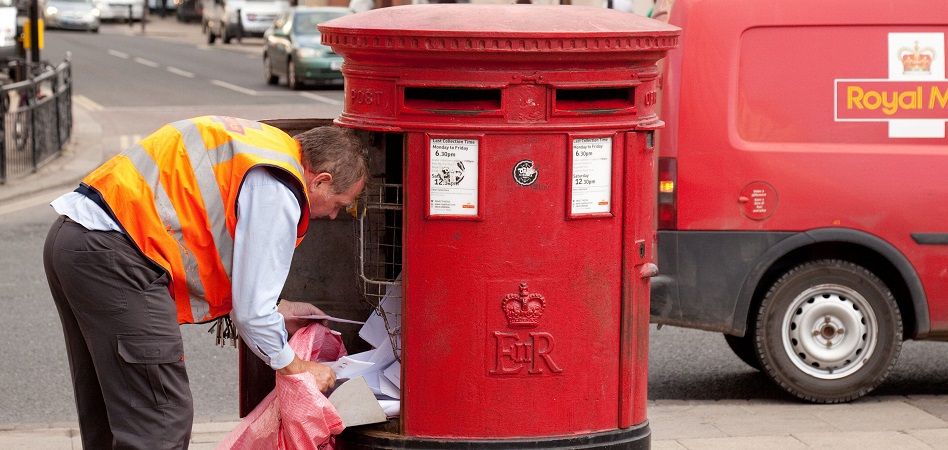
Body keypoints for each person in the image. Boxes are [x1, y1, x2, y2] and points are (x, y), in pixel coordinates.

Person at [42, 116, 371, 449]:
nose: (332, 215)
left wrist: (276, 309)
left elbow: (215, 238)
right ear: (320, 181)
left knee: (113, 412)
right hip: (115, 256)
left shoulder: (266, 149)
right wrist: (298, 367)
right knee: (161, 421)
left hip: (75, 238)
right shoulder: (281, 187)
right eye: (339, 204)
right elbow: (252, 314)